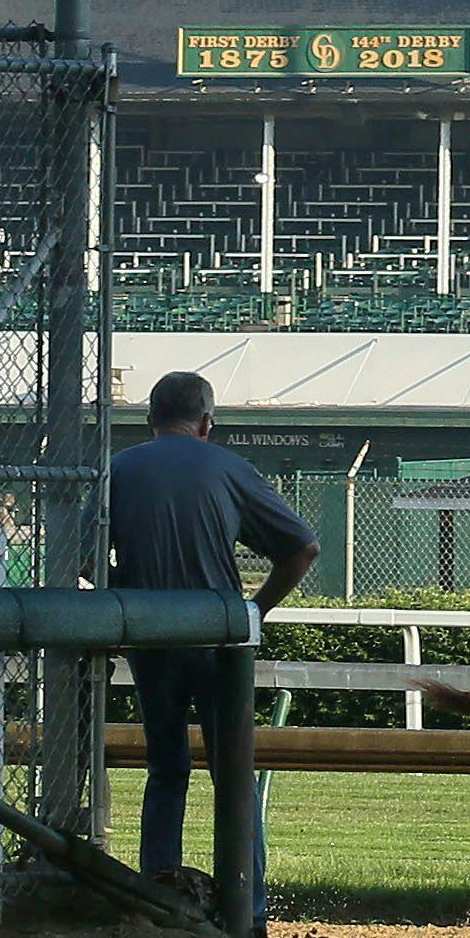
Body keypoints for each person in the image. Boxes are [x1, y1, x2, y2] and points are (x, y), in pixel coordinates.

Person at [108, 371, 322, 892]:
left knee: (166, 768)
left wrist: (125, 591)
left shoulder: (119, 467)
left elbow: (81, 551)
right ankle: (246, 905)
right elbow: (302, 547)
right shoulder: (228, 466)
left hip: (150, 635)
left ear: (148, 419)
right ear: (207, 422)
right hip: (219, 637)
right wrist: (255, 610)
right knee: (233, 773)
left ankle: (157, 895)